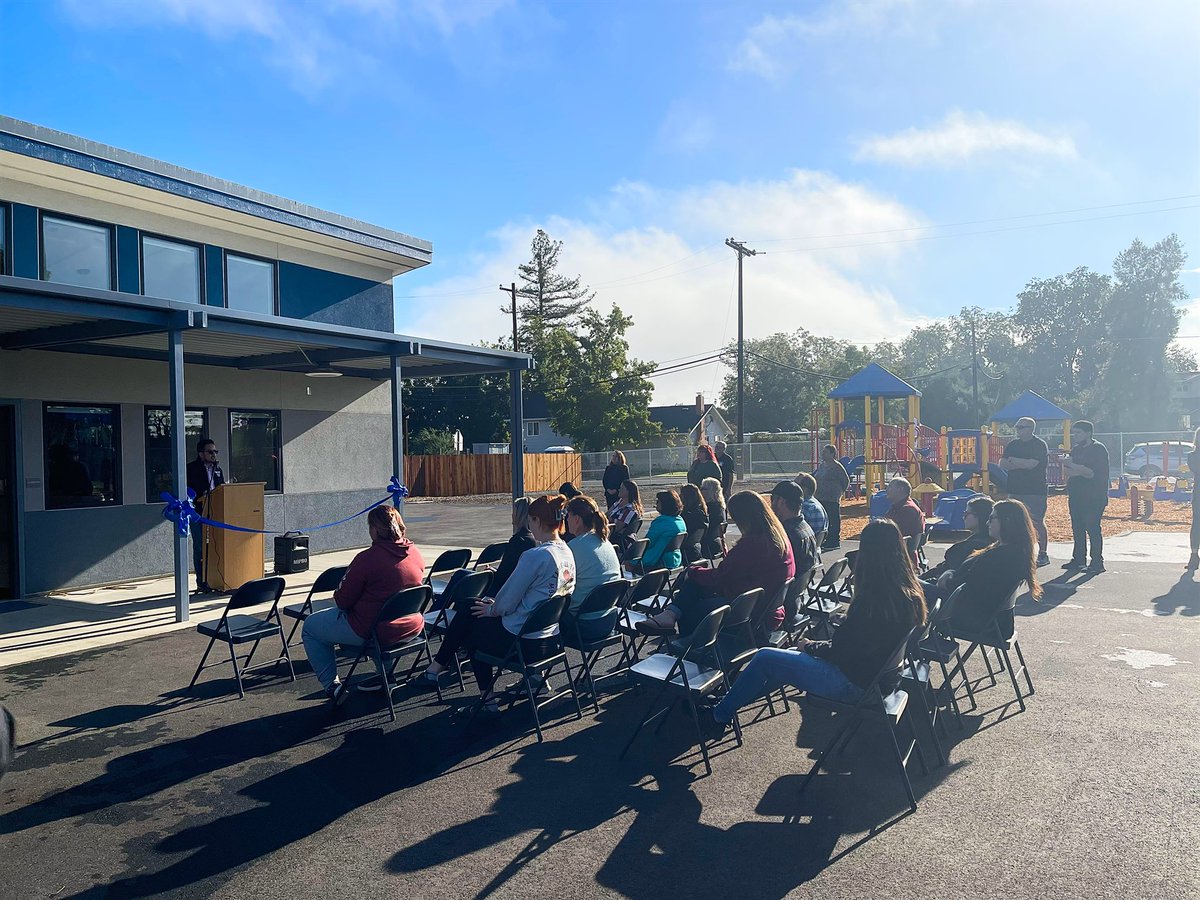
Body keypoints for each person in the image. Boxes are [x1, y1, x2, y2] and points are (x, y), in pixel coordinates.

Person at [702, 519, 927, 734]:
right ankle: (729, 703)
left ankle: (718, 715)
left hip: (854, 684)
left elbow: (840, 652)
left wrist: (809, 645)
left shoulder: (872, 601)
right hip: (881, 680)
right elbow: (856, 645)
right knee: (783, 658)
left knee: (765, 658)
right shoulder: (908, 592)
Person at [422, 495, 575, 713]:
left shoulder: (536, 555)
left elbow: (507, 601)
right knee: (470, 607)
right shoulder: (567, 552)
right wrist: (493, 606)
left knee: (471, 630)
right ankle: (437, 668)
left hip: (522, 642)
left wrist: (493, 608)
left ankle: (484, 699)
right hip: (549, 638)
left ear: (537, 521)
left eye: (531, 520)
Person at [301, 505, 426, 704]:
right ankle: (386, 674)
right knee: (379, 611)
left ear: (375, 530)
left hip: (375, 631)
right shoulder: (415, 552)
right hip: (412, 625)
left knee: (310, 626)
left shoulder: (366, 559)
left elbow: (342, 600)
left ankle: (332, 686)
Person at [637, 490, 795, 636]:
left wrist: (693, 571)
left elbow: (719, 578)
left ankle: (689, 647)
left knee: (691, 601)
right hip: (765, 607)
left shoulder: (753, 545)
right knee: (695, 585)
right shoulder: (779, 539)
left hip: (749, 612)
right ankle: (670, 615)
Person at [937, 499, 1043, 634]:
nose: (987, 523)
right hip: (995, 621)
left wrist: (947, 575)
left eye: (992, 518)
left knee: (909, 594)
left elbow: (961, 586)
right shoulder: (1016, 551)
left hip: (969, 619)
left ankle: (912, 648)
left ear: (1007, 521)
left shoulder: (1000, 557)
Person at [563, 495, 623, 642]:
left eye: (567, 516)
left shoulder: (574, 548)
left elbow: (561, 587)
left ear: (576, 519)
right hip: (609, 619)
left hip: (583, 625)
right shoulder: (605, 542)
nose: (566, 520)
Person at [999, 417, 1050, 566]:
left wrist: (1014, 461)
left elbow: (1032, 465)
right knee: (1013, 521)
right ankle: (1017, 552)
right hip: (1015, 489)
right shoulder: (1013, 444)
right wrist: (1021, 462)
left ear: (1030, 429)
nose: (1018, 430)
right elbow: (1002, 463)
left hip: (1035, 490)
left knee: (1037, 521)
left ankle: (1043, 554)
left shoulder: (1039, 445)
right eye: (1017, 427)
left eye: (1021, 427)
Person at [1062, 421, 1110, 573]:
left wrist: (1075, 467)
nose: (1075, 436)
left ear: (1088, 433)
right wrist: (1079, 470)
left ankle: (1097, 562)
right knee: (1077, 528)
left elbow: (1091, 473)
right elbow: (1068, 471)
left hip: (1094, 496)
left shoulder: (1098, 449)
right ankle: (1078, 559)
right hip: (1076, 495)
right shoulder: (1076, 450)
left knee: (1093, 528)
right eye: (1074, 433)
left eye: (1078, 433)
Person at [922, 495, 994, 586]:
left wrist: (918, 579)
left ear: (979, 515)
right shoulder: (990, 541)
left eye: (966, 513)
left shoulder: (969, 546)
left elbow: (944, 570)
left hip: (942, 589)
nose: (963, 517)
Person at [185, 438, 225, 593]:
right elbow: (187, 490)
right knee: (200, 547)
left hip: (216, 512)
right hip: (198, 512)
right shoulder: (191, 469)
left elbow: (221, 488)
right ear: (201, 454)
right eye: (210, 452)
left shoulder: (218, 469)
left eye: (215, 451)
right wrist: (201, 494)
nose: (214, 454)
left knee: (216, 545)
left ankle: (215, 578)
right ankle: (202, 581)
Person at [768, 480, 819, 579]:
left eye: (772, 499)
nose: (771, 504)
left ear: (781, 501)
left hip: (783, 591)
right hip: (798, 588)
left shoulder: (785, 535)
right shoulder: (806, 528)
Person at [492, 498, 538, 593]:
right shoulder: (537, 539)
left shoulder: (518, 541)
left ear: (519, 515)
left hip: (507, 592)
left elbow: (503, 575)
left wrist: (493, 572)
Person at [812, 445, 850, 551]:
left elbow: (845, 481)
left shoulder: (837, 466)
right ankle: (826, 540)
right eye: (823, 452)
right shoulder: (822, 465)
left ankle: (834, 541)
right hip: (820, 497)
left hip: (832, 497)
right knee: (825, 518)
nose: (823, 454)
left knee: (833, 518)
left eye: (826, 452)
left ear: (833, 454)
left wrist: (839, 492)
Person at [642, 490, 687, 569]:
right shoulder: (680, 520)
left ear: (665, 504)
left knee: (630, 561)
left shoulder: (661, 521)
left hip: (659, 558)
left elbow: (649, 542)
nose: (656, 504)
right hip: (674, 558)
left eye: (658, 501)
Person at [884, 476, 925, 545]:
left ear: (901, 489)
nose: (886, 489)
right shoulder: (898, 507)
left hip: (898, 551)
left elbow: (897, 533)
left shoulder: (908, 509)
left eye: (890, 487)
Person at [608, 479, 643, 552]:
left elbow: (616, 528)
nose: (619, 489)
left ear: (628, 491)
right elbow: (606, 514)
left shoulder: (629, 510)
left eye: (622, 488)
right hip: (610, 533)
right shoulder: (619, 502)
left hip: (619, 540)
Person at [678, 483, 709, 562]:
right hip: (696, 549)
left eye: (681, 494)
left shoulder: (688, 515)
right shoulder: (701, 512)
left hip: (685, 551)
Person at [699, 477, 727, 559]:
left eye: (703, 488)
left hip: (707, 546)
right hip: (717, 544)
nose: (700, 490)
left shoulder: (711, 509)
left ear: (711, 491)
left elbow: (705, 528)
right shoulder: (721, 507)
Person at [795, 473, 828, 538]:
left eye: (796, 485)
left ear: (804, 489)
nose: (792, 487)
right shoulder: (817, 504)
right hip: (816, 544)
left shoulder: (805, 507)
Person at [1188, 428, 1200, 572]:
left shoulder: (1193, 456)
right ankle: (1194, 554)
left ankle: (1194, 554)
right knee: (1197, 523)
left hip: (1198, 494)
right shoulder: (1193, 456)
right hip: (1198, 494)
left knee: (1197, 523)